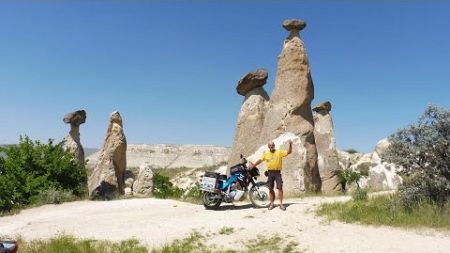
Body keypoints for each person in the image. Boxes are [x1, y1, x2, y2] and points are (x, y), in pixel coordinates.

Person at [249, 140, 292, 211]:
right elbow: (260, 160)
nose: (271, 146)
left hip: (277, 173)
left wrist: (290, 144)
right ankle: (272, 204)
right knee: (270, 189)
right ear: (268, 146)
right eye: (270, 145)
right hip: (270, 173)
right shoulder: (266, 153)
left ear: (274, 145)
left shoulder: (279, 152)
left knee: (280, 188)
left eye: (272, 145)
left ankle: (281, 204)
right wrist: (254, 165)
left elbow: (289, 152)